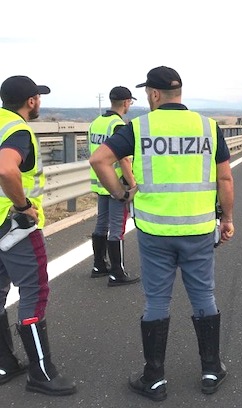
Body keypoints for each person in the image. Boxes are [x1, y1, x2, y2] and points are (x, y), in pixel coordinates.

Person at [89, 66, 235, 401]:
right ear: (178, 93)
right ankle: (211, 370)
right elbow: (225, 179)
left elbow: (99, 160)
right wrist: (226, 218)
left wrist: (121, 193)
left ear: (154, 95)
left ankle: (154, 378)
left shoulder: (138, 128)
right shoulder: (208, 127)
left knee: (157, 300)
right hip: (198, 230)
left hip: (154, 231)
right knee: (203, 298)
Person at [0, 75, 76, 395]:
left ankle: (5, 362)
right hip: (15, 227)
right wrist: (24, 204)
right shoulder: (18, 130)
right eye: (38, 98)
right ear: (31, 101)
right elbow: (6, 168)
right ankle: (41, 374)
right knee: (34, 295)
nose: (39, 103)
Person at [88, 86, 140, 286]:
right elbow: (125, 160)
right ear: (127, 102)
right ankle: (117, 273)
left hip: (101, 183)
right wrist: (132, 185)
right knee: (117, 228)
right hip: (116, 183)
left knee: (102, 224)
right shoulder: (118, 125)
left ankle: (99, 265)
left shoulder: (95, 123)